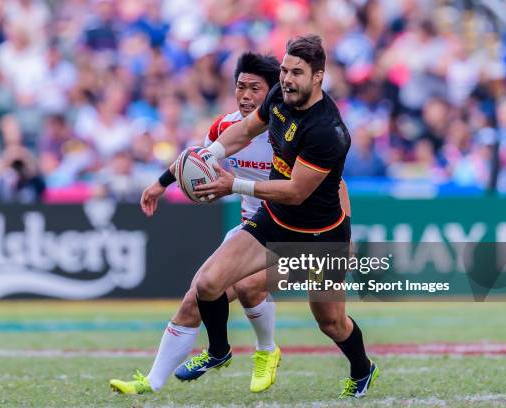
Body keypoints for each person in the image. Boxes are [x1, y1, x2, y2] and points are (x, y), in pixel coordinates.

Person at [156, 35, 377, 399]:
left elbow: (296, 191)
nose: (288, 79)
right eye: (285, 70)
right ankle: (218, 350)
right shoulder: (280, 95)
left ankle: (362, 368)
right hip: (274, 221)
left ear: (318, 77)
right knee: (209, 283)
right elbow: (243, 131)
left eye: (297, 73)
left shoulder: (327, 131)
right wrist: (209, 154)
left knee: (331, 322)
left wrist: (234, 185)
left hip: (321, 236)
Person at [110, 52, 282, 395]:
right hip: (253, 228)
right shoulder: (225, 127)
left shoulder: (290, 131)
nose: (245, 95)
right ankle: (151, 382)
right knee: (197, 296)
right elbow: (195, 159)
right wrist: (160, 184)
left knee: (330, 320)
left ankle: (266, 350)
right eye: (240, 87)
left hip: (296, 230)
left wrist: (233, 184)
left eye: (255, 88)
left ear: (274, 92)